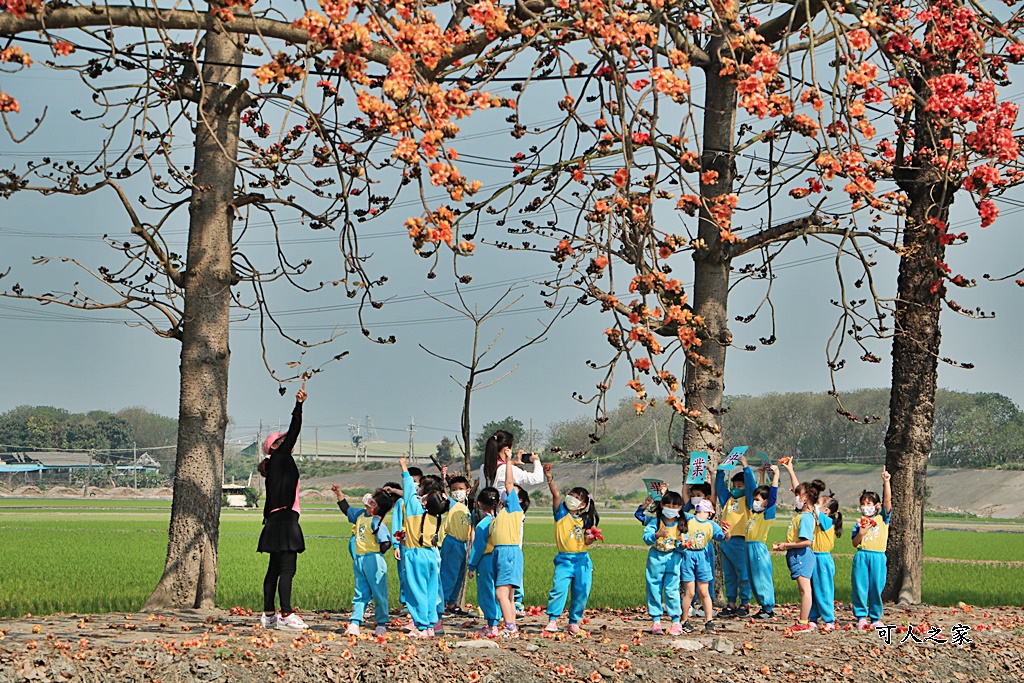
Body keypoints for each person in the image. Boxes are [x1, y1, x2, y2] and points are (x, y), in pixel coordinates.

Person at [257, 386, 308, 631]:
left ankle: (269, 616)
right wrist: (298, 405)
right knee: (287, 569)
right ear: (274, 447)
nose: (286, 440)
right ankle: (286, 614)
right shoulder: (281, 457)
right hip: (287, 519)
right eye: (281, 440)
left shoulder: (275, 465)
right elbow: (295, 430)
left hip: (274, 520)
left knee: (274, 569)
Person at [479, 430, 543, 614]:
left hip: (492, 520)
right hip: (511, 520)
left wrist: (512, 463)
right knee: (513, 560)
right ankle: (515, 603)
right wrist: (536, 460)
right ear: (507, 449)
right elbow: (536, 478)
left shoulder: (486, 468)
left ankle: (498, 607)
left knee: (496, 561)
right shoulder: (506, 470)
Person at [781, 459, 842, 631]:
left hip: (822, 559)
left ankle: (829, 619)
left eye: (821, 504)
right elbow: (800, 491)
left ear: (828, 510)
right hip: (811, 556)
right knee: (812, 589)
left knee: (823, 589)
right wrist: (791, 471)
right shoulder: (811, 514)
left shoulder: (826, 520)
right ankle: (813, 618)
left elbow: (807, 500)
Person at [543, 463, 599, 634]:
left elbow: (587, 542)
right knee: (558, 589)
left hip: (582, 560)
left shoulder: (586, 520)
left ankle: (574, 620)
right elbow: (556, 494)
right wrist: (549, 477)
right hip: (564, 559)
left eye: (577, 497)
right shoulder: (561, 514)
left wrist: (591, 538)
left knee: (581, 591)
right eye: (571, 495)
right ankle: (553, 619)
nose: (571, 498)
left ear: (582, 505)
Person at [331, 484, 393, 637]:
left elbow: (386, 543)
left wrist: (377, 550)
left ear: (375, 507)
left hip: (374, 559)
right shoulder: (360, 515)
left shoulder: (377, 522)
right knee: (360, 591)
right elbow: (346, 509)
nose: (369, 498)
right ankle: (355, 622)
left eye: (373, 499)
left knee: (379, 593)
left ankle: (381, 622)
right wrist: (339, 493)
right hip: (360, 559)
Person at [398, 454, 447, 637]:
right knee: (430, 590)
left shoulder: (414, 507)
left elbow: (408, 488)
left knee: (415, 590)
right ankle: (430, 625)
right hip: (431, 554)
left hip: (415, 554)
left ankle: (420, 626)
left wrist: (404, 467)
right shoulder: (437, 512)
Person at [490, 449, 530, 637]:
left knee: (500, 593)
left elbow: (508, 482)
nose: (507, 492)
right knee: (509, 595)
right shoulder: (501, 512)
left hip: (508, 552)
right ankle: (511, 625)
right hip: (502, 552)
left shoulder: (514, 508)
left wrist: (508, 462)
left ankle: (510, 627)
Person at [773, 480, 819, 634]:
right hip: (796, 555)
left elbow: (806, 541)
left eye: (798, 495)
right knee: (804, 590)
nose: (795, 498)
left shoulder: (806, 517)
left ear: (805, 498)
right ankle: (804, 620)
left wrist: (786, 545)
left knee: (805, 590)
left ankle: (804, 622)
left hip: (801, 555)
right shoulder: (801, 515)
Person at [679, 498, 730, 634]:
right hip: (688, 556)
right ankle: (684, 621)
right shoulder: (689, 519)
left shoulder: (711, 525)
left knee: (701, 592)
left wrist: (727, 534)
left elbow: (723, 537)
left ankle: (708, 620)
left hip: (702, 557)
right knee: (692, 592)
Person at [851, 467, 892, 630]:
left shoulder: (883, 519)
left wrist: (886, 481)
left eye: (869, 504)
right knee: (860, 586)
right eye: (863, 504)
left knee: (876, 586)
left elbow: (888, 502)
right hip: (862, 556)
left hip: (878, 557)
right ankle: (861, 616)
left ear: (877, 506)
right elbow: (855, 543)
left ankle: (875, 617)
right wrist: (861, 532)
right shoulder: (859, 522)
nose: (865, 507)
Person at [715, 455, 754, 617]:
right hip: (726, 542)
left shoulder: (749, 500)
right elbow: (720, 488)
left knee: (743, 574)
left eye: (740, 486)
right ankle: (731, 604)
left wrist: (745, 466)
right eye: (735, 486)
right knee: (729, 575)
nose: (736, 488)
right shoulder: (728, 500)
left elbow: (752, 486)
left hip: (741, 542)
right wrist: (720, 471)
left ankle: (745, 603)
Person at [643, 490, 685, 634]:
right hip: (656, 559)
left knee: (672, 590)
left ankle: (675, 621)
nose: (670, 509)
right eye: (667, 505)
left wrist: (683, 545)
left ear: (679, 508)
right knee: (653, 587)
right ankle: (656, 620)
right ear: (662, 505)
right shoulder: (656, 522)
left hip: (673, 560)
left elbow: (683, 544)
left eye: (674, 506)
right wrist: (657, 535)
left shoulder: (682, 524)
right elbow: (646, 537)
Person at [744, 464, 780, 620]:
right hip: (748, 547)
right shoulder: (754, 514)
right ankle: (762, 606)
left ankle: (768, 608)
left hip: (758, 548)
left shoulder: (767, 514)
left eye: (758, 500)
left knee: (761, 577)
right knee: (753, 578)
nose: (755, 502)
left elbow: (772, 496)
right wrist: (762, 475)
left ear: (765, 502)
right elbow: (761, 490)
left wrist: (776, 474)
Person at [467, 487, 502, 637]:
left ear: (480, 504)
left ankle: (491, 623)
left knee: (486, 591)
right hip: (500, 558)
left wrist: (471, 565)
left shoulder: (483, 525)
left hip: (486, 560)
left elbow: (478, 547)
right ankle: (499, 619)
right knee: (499, 591)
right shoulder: (500, 521)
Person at [391, 467, 423, 614]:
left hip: (420, 542)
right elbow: (396, 523)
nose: (413, 485)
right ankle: (405, 602)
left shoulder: (423, 501)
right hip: (404, 541)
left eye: (415, 482)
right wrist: (396, 545)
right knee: (404, 572)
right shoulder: (401, 503)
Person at [681, 481, 716, 616]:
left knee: (706, 576)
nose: (696, 498)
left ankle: (706, 604)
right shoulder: (690, 511)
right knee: (689, 579)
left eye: (699, 495)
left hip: (705, 546)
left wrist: (713, 475)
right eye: (694, 495)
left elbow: (714, 494)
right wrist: (687, 482)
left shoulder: (709, 508)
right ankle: (691, 604)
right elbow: (685, 494)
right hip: (690, 548)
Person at [440, 475, 472, 614]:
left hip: (462, 544)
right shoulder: (453, 504)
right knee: (449, 574)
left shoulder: (466, 507)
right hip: (452, 542)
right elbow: (444, 495)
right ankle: (442, 603)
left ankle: (452, 603)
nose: (457, 492)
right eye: (454, 489)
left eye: (460, 489)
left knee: (459, 575)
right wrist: (443, 478)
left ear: (468, 491)